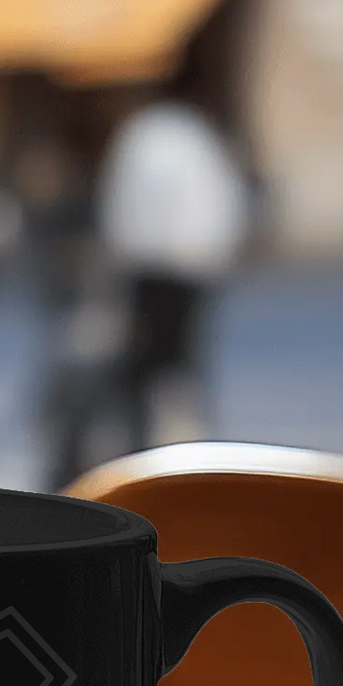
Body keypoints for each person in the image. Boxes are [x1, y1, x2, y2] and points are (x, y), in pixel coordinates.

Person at [48, 96, 249, 484]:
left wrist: (121, 257)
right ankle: (166, 448)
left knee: (144, 369)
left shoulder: (147, 137)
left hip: (155, 268)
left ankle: (149, 450)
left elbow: (129, 211)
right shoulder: (189, 136)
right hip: (191, 267)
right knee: (172, 367)